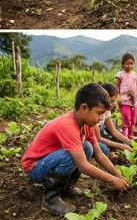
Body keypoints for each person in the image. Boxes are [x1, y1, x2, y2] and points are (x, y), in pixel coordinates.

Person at [22, 83, 130, 214]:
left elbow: (99, 154)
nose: (101, 118)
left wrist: (118, 175)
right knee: (71, 155)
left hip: (49, 162)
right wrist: (112, 180)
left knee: (87, 147)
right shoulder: (67, 125)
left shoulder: (87, 125)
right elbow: (83, 166)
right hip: (35, 167)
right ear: (84, 108)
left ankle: (66, 187)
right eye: (99, 113)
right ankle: (50, 199)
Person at [96, 82, 133, 156]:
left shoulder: (107, 111)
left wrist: (130, 143)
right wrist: (121, 146)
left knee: (115, 137)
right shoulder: (95, 113)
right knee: (104, 148)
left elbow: (113, 131)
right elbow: (97, 138)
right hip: (92, 138)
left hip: (99, 133)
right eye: (112, 101)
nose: (115, 104)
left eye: (115, 100)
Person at [114, 53, 137, 140]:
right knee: (126, 120)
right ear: (122, 64)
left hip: (133, 102)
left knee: (133, 120)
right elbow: (117, 86)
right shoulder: (120, 74)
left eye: (132, 63)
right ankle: (125, 137)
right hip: (124, 101)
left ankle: (130, 135)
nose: (130, 65)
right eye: (127, 63)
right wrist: (117, 97)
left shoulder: (135, 75)